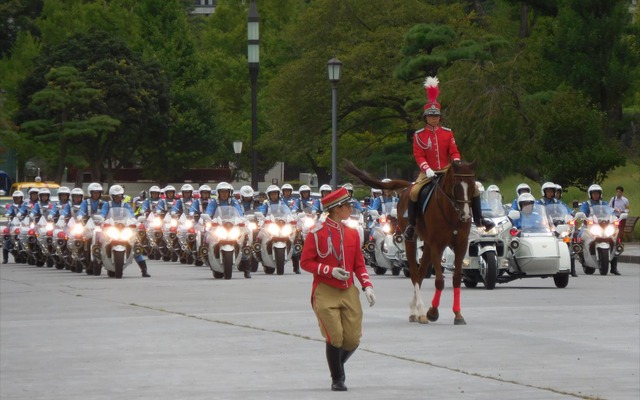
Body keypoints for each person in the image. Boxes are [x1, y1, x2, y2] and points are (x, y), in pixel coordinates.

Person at [300, 187, 376, 392]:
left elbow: (359, 264)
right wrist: (329, 270)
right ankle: (338, 378)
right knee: (335, 336)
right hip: (325, 289)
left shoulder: (352, 233)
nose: (351, 209)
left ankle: (336, 364)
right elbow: (305, 262)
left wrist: (366, 285)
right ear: (336, 209)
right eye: (347, 206)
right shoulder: (316, 233)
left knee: (352, 339)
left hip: (348, 289)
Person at [405, 76, 493, 240]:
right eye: (431, 116)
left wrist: (457, 162)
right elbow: (419, 155)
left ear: (440, 117)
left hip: (447, 170)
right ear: (426, 117)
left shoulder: (447, 132)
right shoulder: (419, 135)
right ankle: (412, 225)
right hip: (428, 172)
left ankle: (479, 218)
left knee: (473, 189)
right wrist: (427, 169)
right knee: (414, 192)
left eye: (436, 116)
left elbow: (454, 151)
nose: (434, 118)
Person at [100, 185, 150, 277]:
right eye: (116, 195)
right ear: (112, 196)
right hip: (112, 228)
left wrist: (135, 221)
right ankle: (97, 262)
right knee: (101, 242)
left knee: (135, 246)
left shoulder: (125, 205)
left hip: (124, 228)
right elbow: (103, 213)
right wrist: (102, 219)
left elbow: (131, 214)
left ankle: (144, 270)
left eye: (120, 195)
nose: (119, 197)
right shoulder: (107, 205)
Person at [2, 191, 25, 263]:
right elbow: (9, 210)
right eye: (15, 198)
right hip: (13, 224)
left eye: (19, 198)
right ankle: (5, 258)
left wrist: (22, 214)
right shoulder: (12, 206)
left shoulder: (25, 205)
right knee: (6, 238)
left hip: (23, 224)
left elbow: (25, 210)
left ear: (22, 198)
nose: (17, 200)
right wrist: (7, 214)